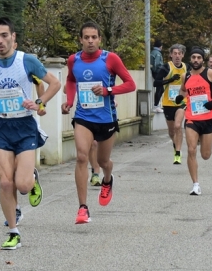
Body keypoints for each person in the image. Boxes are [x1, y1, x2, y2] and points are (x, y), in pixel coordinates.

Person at [0, 17, 61, 249]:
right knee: (5, 183)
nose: (0, 41)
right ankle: (13, 231)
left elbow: (54, 83)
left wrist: (39, 102)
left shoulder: (27, 61)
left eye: (4, 35)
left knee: (21, 185)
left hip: (24, 127)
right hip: (1, 127)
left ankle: (31, 179)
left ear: (13, 37)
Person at [62, 21, 136, 224]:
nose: (90, 41)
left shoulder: (110, 59)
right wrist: (69, 101)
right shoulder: (73, 60)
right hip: (83, 117)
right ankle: (83, 208)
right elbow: (70, 80)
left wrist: (108, 91)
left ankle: (107, 179)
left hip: (106, 118)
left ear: (100, 39)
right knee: (81, 157)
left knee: (103, 162)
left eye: (94, 37)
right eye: (86, 37)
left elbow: (131, 84)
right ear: (80, 39)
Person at [174, 47, 212, 195]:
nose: (196, 60)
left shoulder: (210, 73)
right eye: (194, 58)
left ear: (202, 59)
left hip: (208, 117)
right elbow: (183, 90)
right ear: (190, 59)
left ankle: (203, 142)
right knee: (191, 150)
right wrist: (181, 97)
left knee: (205, 155)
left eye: (199, 57)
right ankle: (195, 185)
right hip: (192, 117)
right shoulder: (185, 76)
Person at [153, 44, 189, 164]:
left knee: (178, 126)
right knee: (172, 131)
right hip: (168, 103)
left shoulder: (186, 68)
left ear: (183, 55)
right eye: (175, 53)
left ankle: (178, 153)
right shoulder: (166, 67)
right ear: (171, 55)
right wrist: (170, 80)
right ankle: (176, 145)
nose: (177, 56)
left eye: (179, 53)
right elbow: (156, 83)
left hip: (182, 102)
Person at [151, 39, 164, 113]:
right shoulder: (158, 53)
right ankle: (156, 106)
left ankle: (156, 105)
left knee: (160, 89)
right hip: (158, 73)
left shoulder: (153, 52)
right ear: (160, 46)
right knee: (160, 89)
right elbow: (157, 64)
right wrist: (160, 71)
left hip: (155, 72)